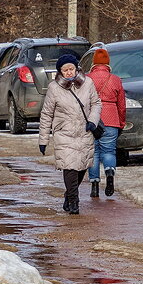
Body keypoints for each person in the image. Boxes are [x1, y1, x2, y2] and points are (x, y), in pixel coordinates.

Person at [38, 53, 101, 214]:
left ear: (76, 68)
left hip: (85, 131)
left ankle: (68, 195)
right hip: (64, 133)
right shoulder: (54, 88)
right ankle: (74, 200)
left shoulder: (87, 83)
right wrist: (43, 139)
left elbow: (96, 103)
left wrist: (93, 121)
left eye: (71, 69)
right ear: (60, 71)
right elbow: (47, 114)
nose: (68, 73)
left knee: (81, 167)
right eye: (64, 70)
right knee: (70, 167)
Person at [86, 48, 126, 197]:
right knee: (109, 151)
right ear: (108, 62)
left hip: (93, 120)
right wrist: (121, 122)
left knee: (94, 153)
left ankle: (95, 186)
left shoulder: (87, 78)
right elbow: (121, 105)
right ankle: (109, 173)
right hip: (111, 118)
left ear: (93, 62)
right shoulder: (115, 79)